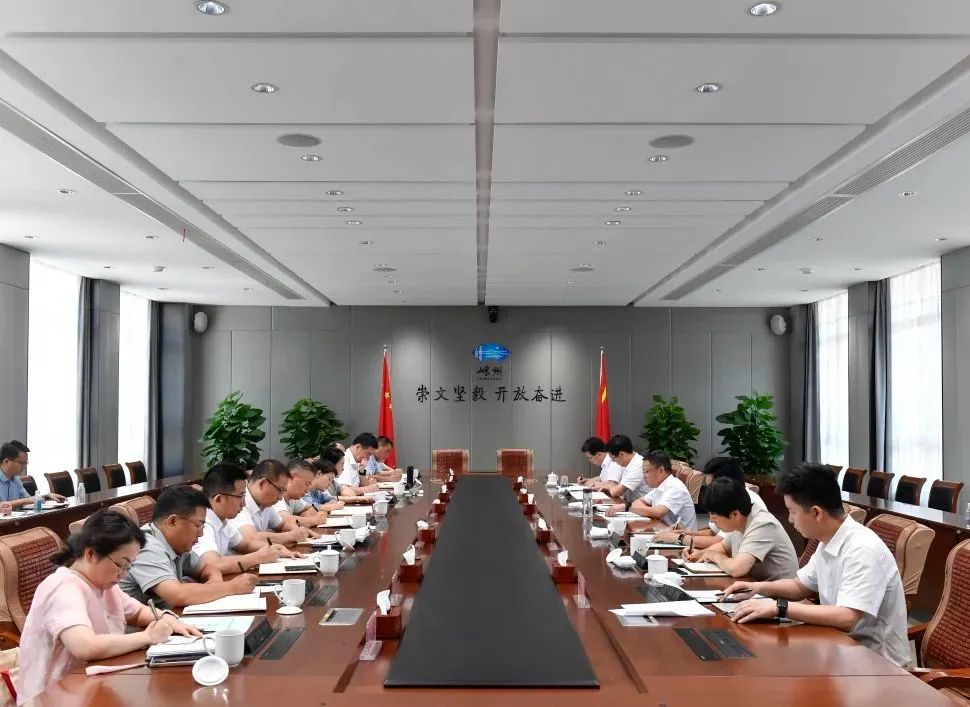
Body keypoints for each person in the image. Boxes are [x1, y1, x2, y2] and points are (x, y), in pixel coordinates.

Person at [724, 462, 910, 667]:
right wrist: (757, 588)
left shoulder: (863, 549)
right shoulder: (828, 540)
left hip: (876, 663)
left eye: (792, 511)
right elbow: (799, 586)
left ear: (816, 513)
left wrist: (779, 607)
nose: (790, 519)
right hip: (839, 648)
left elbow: (847, 617)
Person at [17, 510, 201, 703]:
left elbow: (138, 612)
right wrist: (147, 637)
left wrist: (165, 617)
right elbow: (85, 647)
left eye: (129, 567)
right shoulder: (62, 587)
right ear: (91, 553)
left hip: (90, 686)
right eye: (121, 565)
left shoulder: (103, 584)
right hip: (51, 697)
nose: (123, 574)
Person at [120, 486, 256, 609]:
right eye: (198, 526)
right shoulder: (146, 547)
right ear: (172, 521)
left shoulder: (174, 544)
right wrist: (232, 587)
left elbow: (206, 567)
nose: (201, 533)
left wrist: (215, 582)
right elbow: (177, 595)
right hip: (134, 626)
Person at [194, 462, 299, 574]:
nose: (243, 503)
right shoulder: (202, 523)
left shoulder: (222, 521)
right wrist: (258, 557)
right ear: (219, 499)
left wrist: (275, 549)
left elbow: (246, 544)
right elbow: (213, 564)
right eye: (240, 496)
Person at [682, 477, 797, 581]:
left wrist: (713, 555)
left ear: (735, 514)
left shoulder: (762, 524)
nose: (711, 521)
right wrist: (700, 554)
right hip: (756, 587)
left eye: (714, 517)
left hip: (779, 595)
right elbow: (724, 547)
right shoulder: (740, 520)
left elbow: (737, 569)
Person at [654, 456, 766, 547]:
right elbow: (713, 532)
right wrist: (686, 533)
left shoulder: (746, 502)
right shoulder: (729, 497)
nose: (710, 491)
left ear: (726, 482)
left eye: (712, 486)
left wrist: (679, 538)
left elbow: (719, 542)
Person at [230, 459, 316, 543]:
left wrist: (300, 531)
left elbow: (283, 524)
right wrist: (291, 536)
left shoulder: (265, 504)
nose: (280, 498)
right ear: (262, 483)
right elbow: (251, 538)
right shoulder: (239, 500)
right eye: (280, 490)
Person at [619, 451, 697, 529]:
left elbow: (659, 512)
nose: (644, 476)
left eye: (646, 472)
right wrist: (648, 510)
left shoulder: (675, 488)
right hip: (663, 529)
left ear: (661, 470)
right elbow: (639, 502)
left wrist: (628, 507)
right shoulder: (660, 486)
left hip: (681, 535)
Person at [0, 441, 66, 514]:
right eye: (22, 463)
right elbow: (25, 500)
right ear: (6, 461)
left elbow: (28, 499)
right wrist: (24, 501)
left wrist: (46, 496)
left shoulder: (16, 479)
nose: (24, 467)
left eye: (26, 462)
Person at [275, 459, 331, 528]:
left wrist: (305, 515)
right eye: (307, 483)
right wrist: (315, 520)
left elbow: (311, 507)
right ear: (291, 478)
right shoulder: (276, 496)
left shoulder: (293, 498)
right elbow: (285, 520)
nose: (307, 490)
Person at [602, 435, 646, 502]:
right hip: (630, 504)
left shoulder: (638, 466)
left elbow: (615, 492)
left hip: (641, 507)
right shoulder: (629, 463)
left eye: (613, 459)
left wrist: (609, 487)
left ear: (621, 454)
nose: (614, 462)